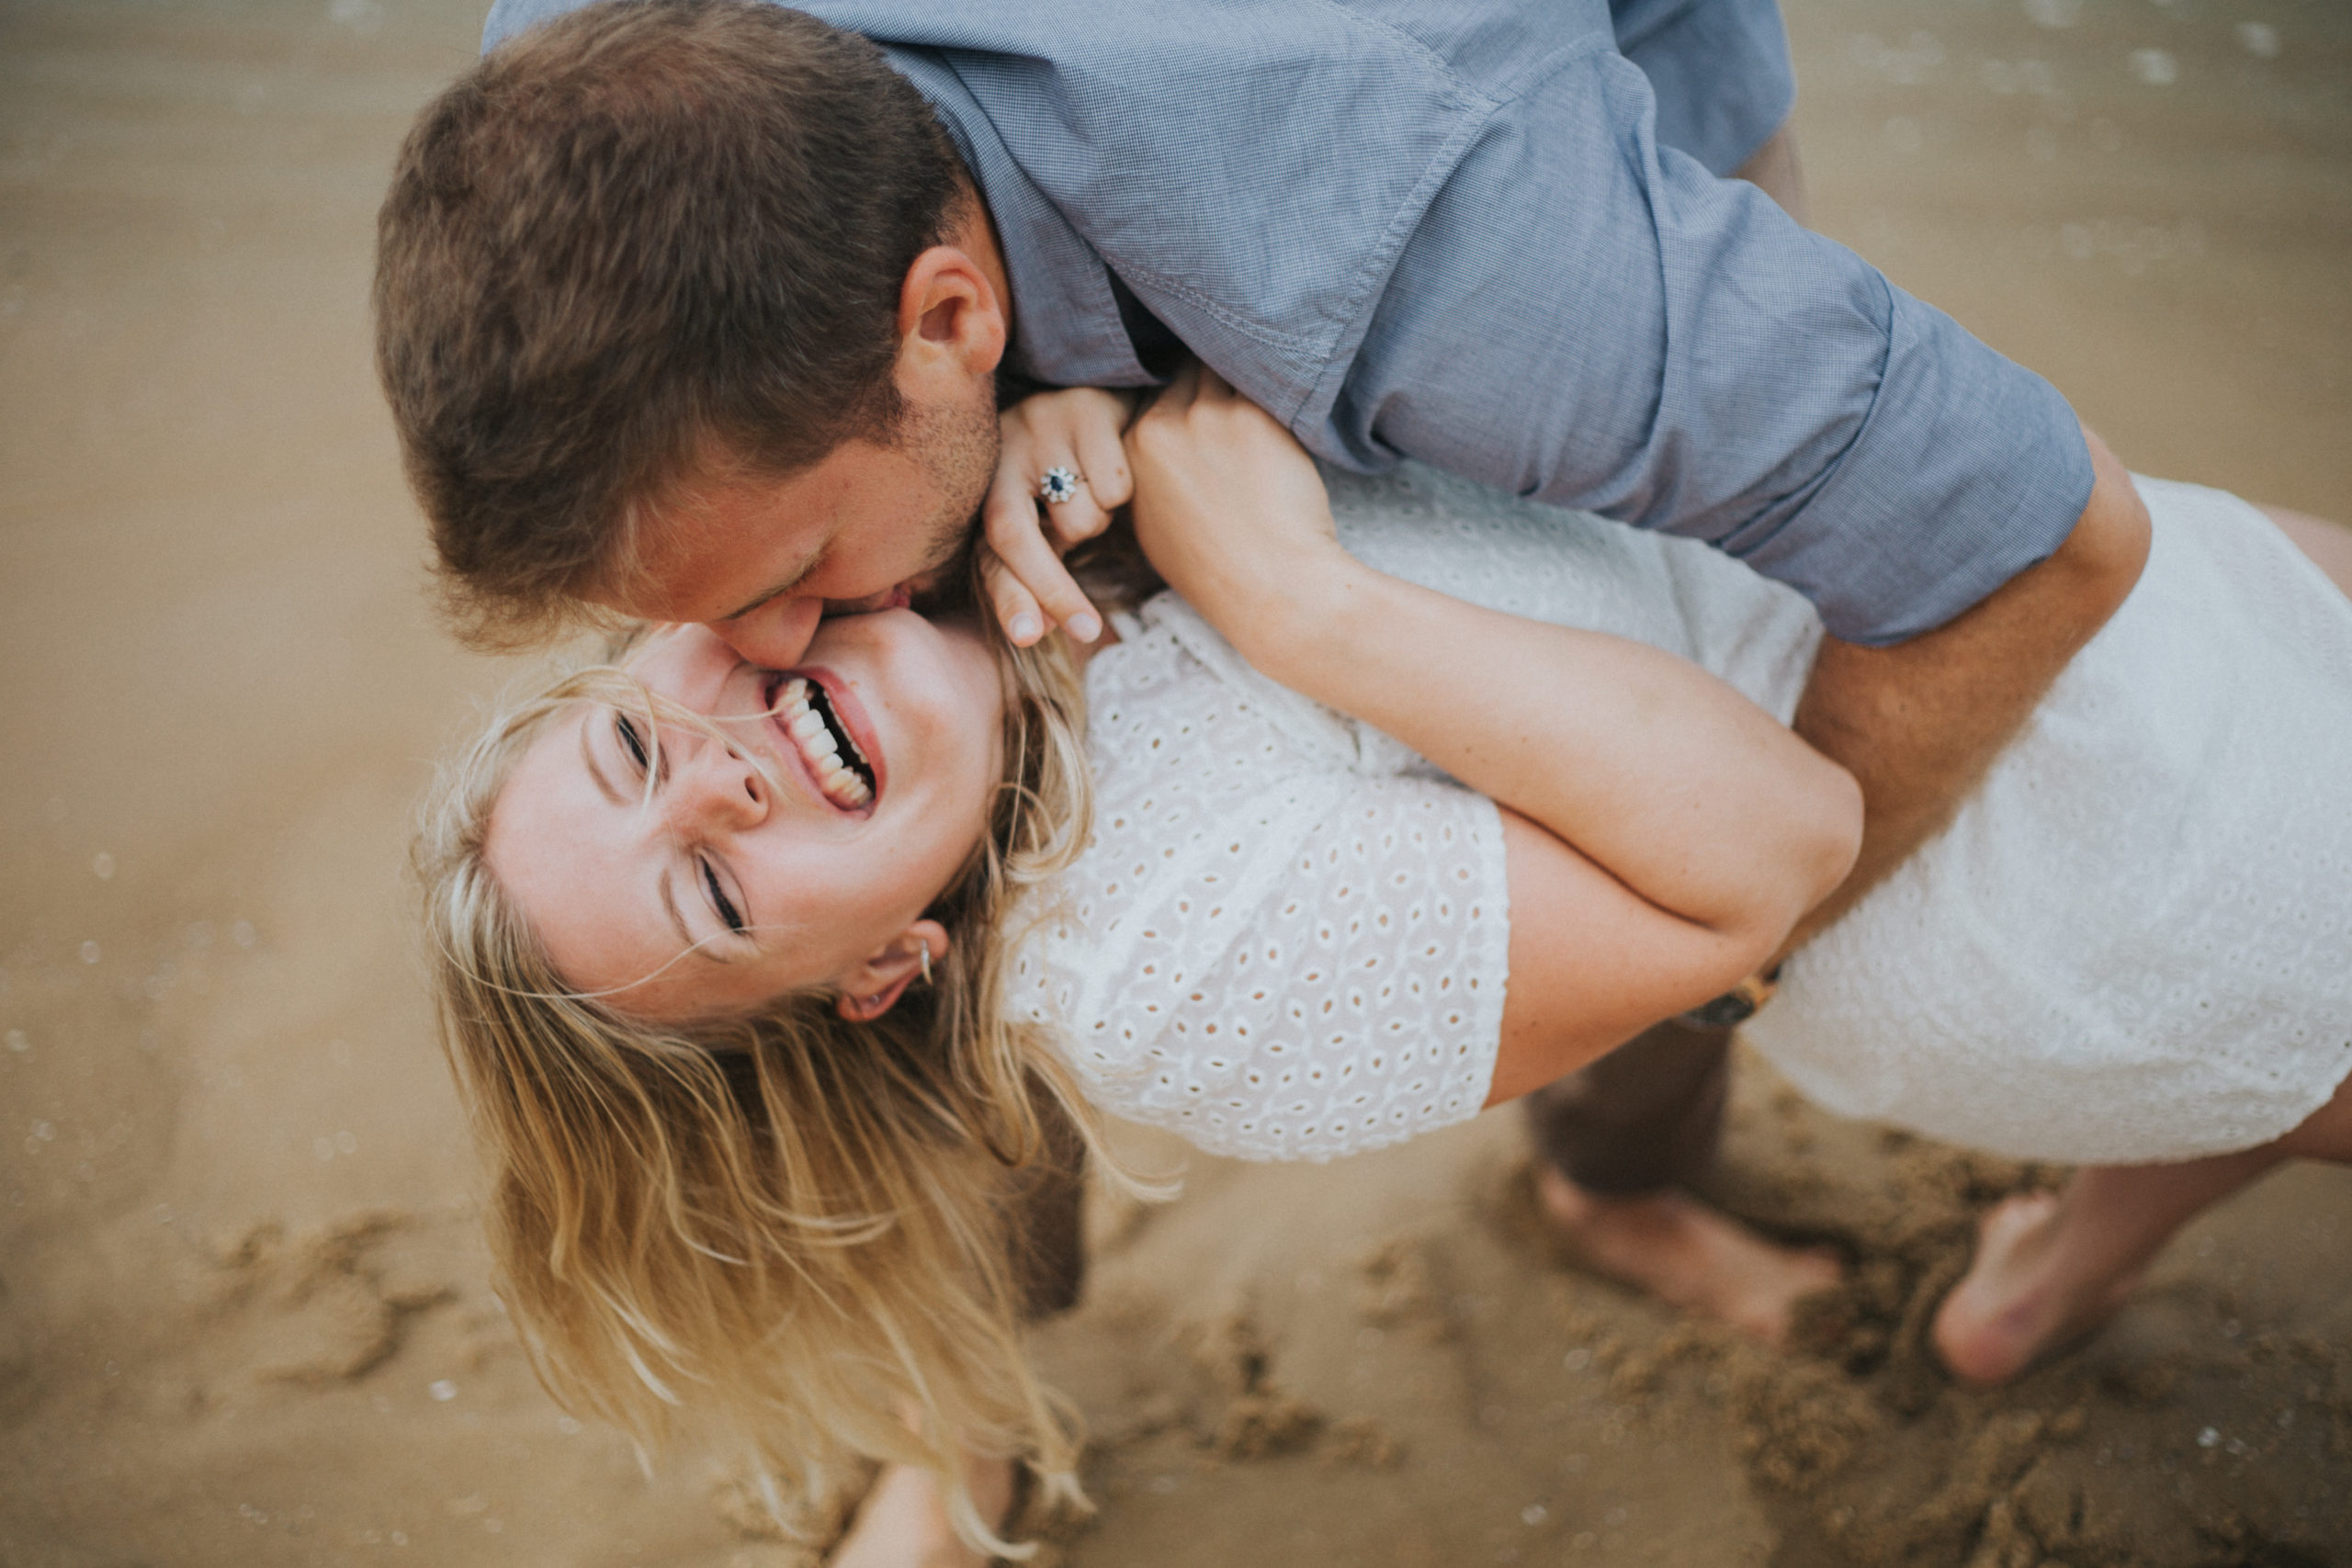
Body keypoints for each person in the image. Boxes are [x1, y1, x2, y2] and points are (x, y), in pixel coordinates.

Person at [374, 0, 2156, 1363]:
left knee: (1654, 729)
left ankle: (1613, 1168)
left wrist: (1702, 971)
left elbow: (2045, 532)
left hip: (1459, 151)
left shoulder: (1508, 279)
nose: (748, 682)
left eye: (783, 586)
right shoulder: (595, 78)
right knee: (890, 892)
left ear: (948, 330)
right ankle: (979, 1410)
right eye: (645, 668)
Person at [426, 367, 2352, 1564]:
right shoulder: (1173, 964)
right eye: (707, 889)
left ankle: (2043, 1281)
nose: (726, 777)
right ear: (882, 970)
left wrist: (1056, 391)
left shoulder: (892, 529)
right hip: (2044, 875)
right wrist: (1291, 597)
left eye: (627, 749)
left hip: (2077, 610)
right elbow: (1767, 866)